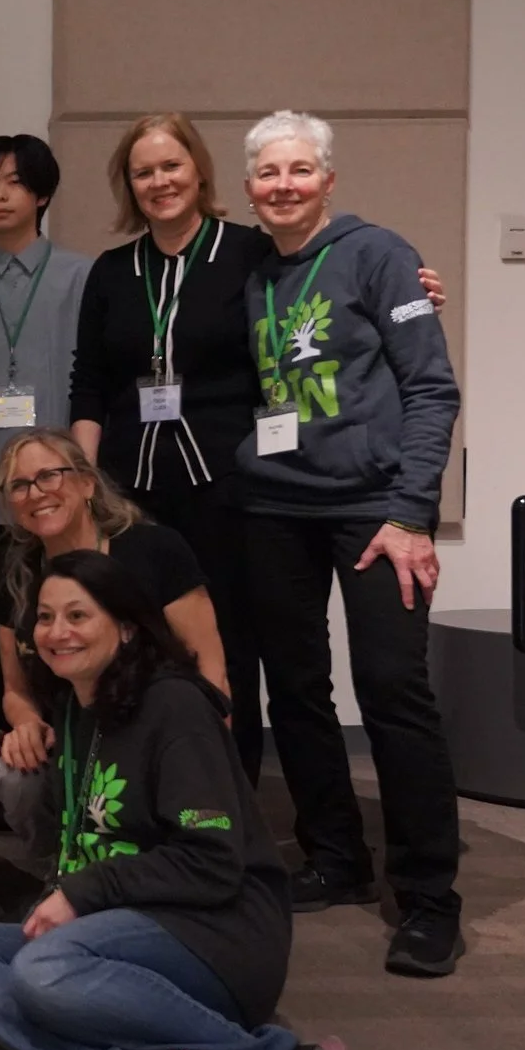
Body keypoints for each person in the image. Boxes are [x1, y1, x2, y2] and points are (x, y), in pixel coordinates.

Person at [0, 551, 360, 1050]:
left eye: (79, 615)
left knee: (42, 973)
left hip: (218, 930)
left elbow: (211, 859)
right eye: (46, 617)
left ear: (127, 625)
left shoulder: (175, 706)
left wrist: (80, 893)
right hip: (118, 927)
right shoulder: (77, 708)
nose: (57, 632)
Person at [68, 115, 445, 785]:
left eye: (172, 166)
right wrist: (86, 487)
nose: (160, 181)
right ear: (128, 185)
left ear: (202, 172)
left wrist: (414, 289)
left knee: (233, 652)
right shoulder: (111, 271)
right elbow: (90, 384)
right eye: (144, 171)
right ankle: (136, 796)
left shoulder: (249, 253)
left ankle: (229, 805)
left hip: (232, 490)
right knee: (134, 645)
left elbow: (329, 279)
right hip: (132, 490)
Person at [233, 110, 463, 978]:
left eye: (299, 170)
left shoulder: (380, 255)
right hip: (274, 507)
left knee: (393, 688)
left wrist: (411, 512)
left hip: (376, 512)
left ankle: (430, 898)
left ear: (328, 179)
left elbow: (433, 390)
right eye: (267, 173)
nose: (283, 185)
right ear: (250, 187)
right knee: (295, 687)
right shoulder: (253, 272)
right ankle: (335, 854)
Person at [0, 430, 229, 856]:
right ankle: (57, 872)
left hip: (152, 736)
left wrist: (210, 756)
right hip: (69, 743)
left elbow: (210, 667)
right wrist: (25, 724)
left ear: (87, 483)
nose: (35, 492)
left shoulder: (154, 550)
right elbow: (14, 689)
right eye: (19, 485)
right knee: (13, 776)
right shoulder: (17, 576)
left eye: (49, 476)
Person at [0, 135, 92, 688]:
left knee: (74, 612)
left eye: (14, 182)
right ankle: (15, 740)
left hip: (62, 488)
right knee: (0, 621)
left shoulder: (82, 277)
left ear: (42, 193)